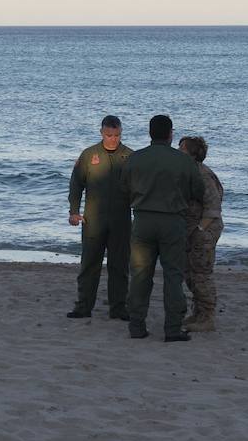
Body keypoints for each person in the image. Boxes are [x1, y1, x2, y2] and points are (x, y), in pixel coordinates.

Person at [121, 114, 206, 342]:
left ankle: (137, 326)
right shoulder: (183, 161)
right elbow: (199, 191)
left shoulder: (135, 158)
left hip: (142, 221)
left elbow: (124, 189)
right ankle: (172, 329)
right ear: (171, 134)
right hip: (172, 222)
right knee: (173, 275)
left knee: (140, 275)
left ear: (150, 133)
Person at [66, 115, 134, 319]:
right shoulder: (89, 155)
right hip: (93, 220)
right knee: (89, 265)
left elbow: (140, 188)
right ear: (101, 132)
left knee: (119, 266)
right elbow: (76, 184)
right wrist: (73, 211)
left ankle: (118, 308)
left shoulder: (130, 156)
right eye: (109, 135)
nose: (113, 139)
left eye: (117, 135)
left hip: (121, 220)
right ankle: (83, 306)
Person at [178, 135, 224, 332]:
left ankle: (207, 317)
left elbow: (213, 208)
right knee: (190, 273)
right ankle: (198, 313)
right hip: (191, 232)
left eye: (182, 149)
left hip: (203, 232)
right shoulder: (188, 172)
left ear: (192, 154)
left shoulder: (203, 175)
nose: (178, 152)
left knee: (201, 274)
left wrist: (200, 230)